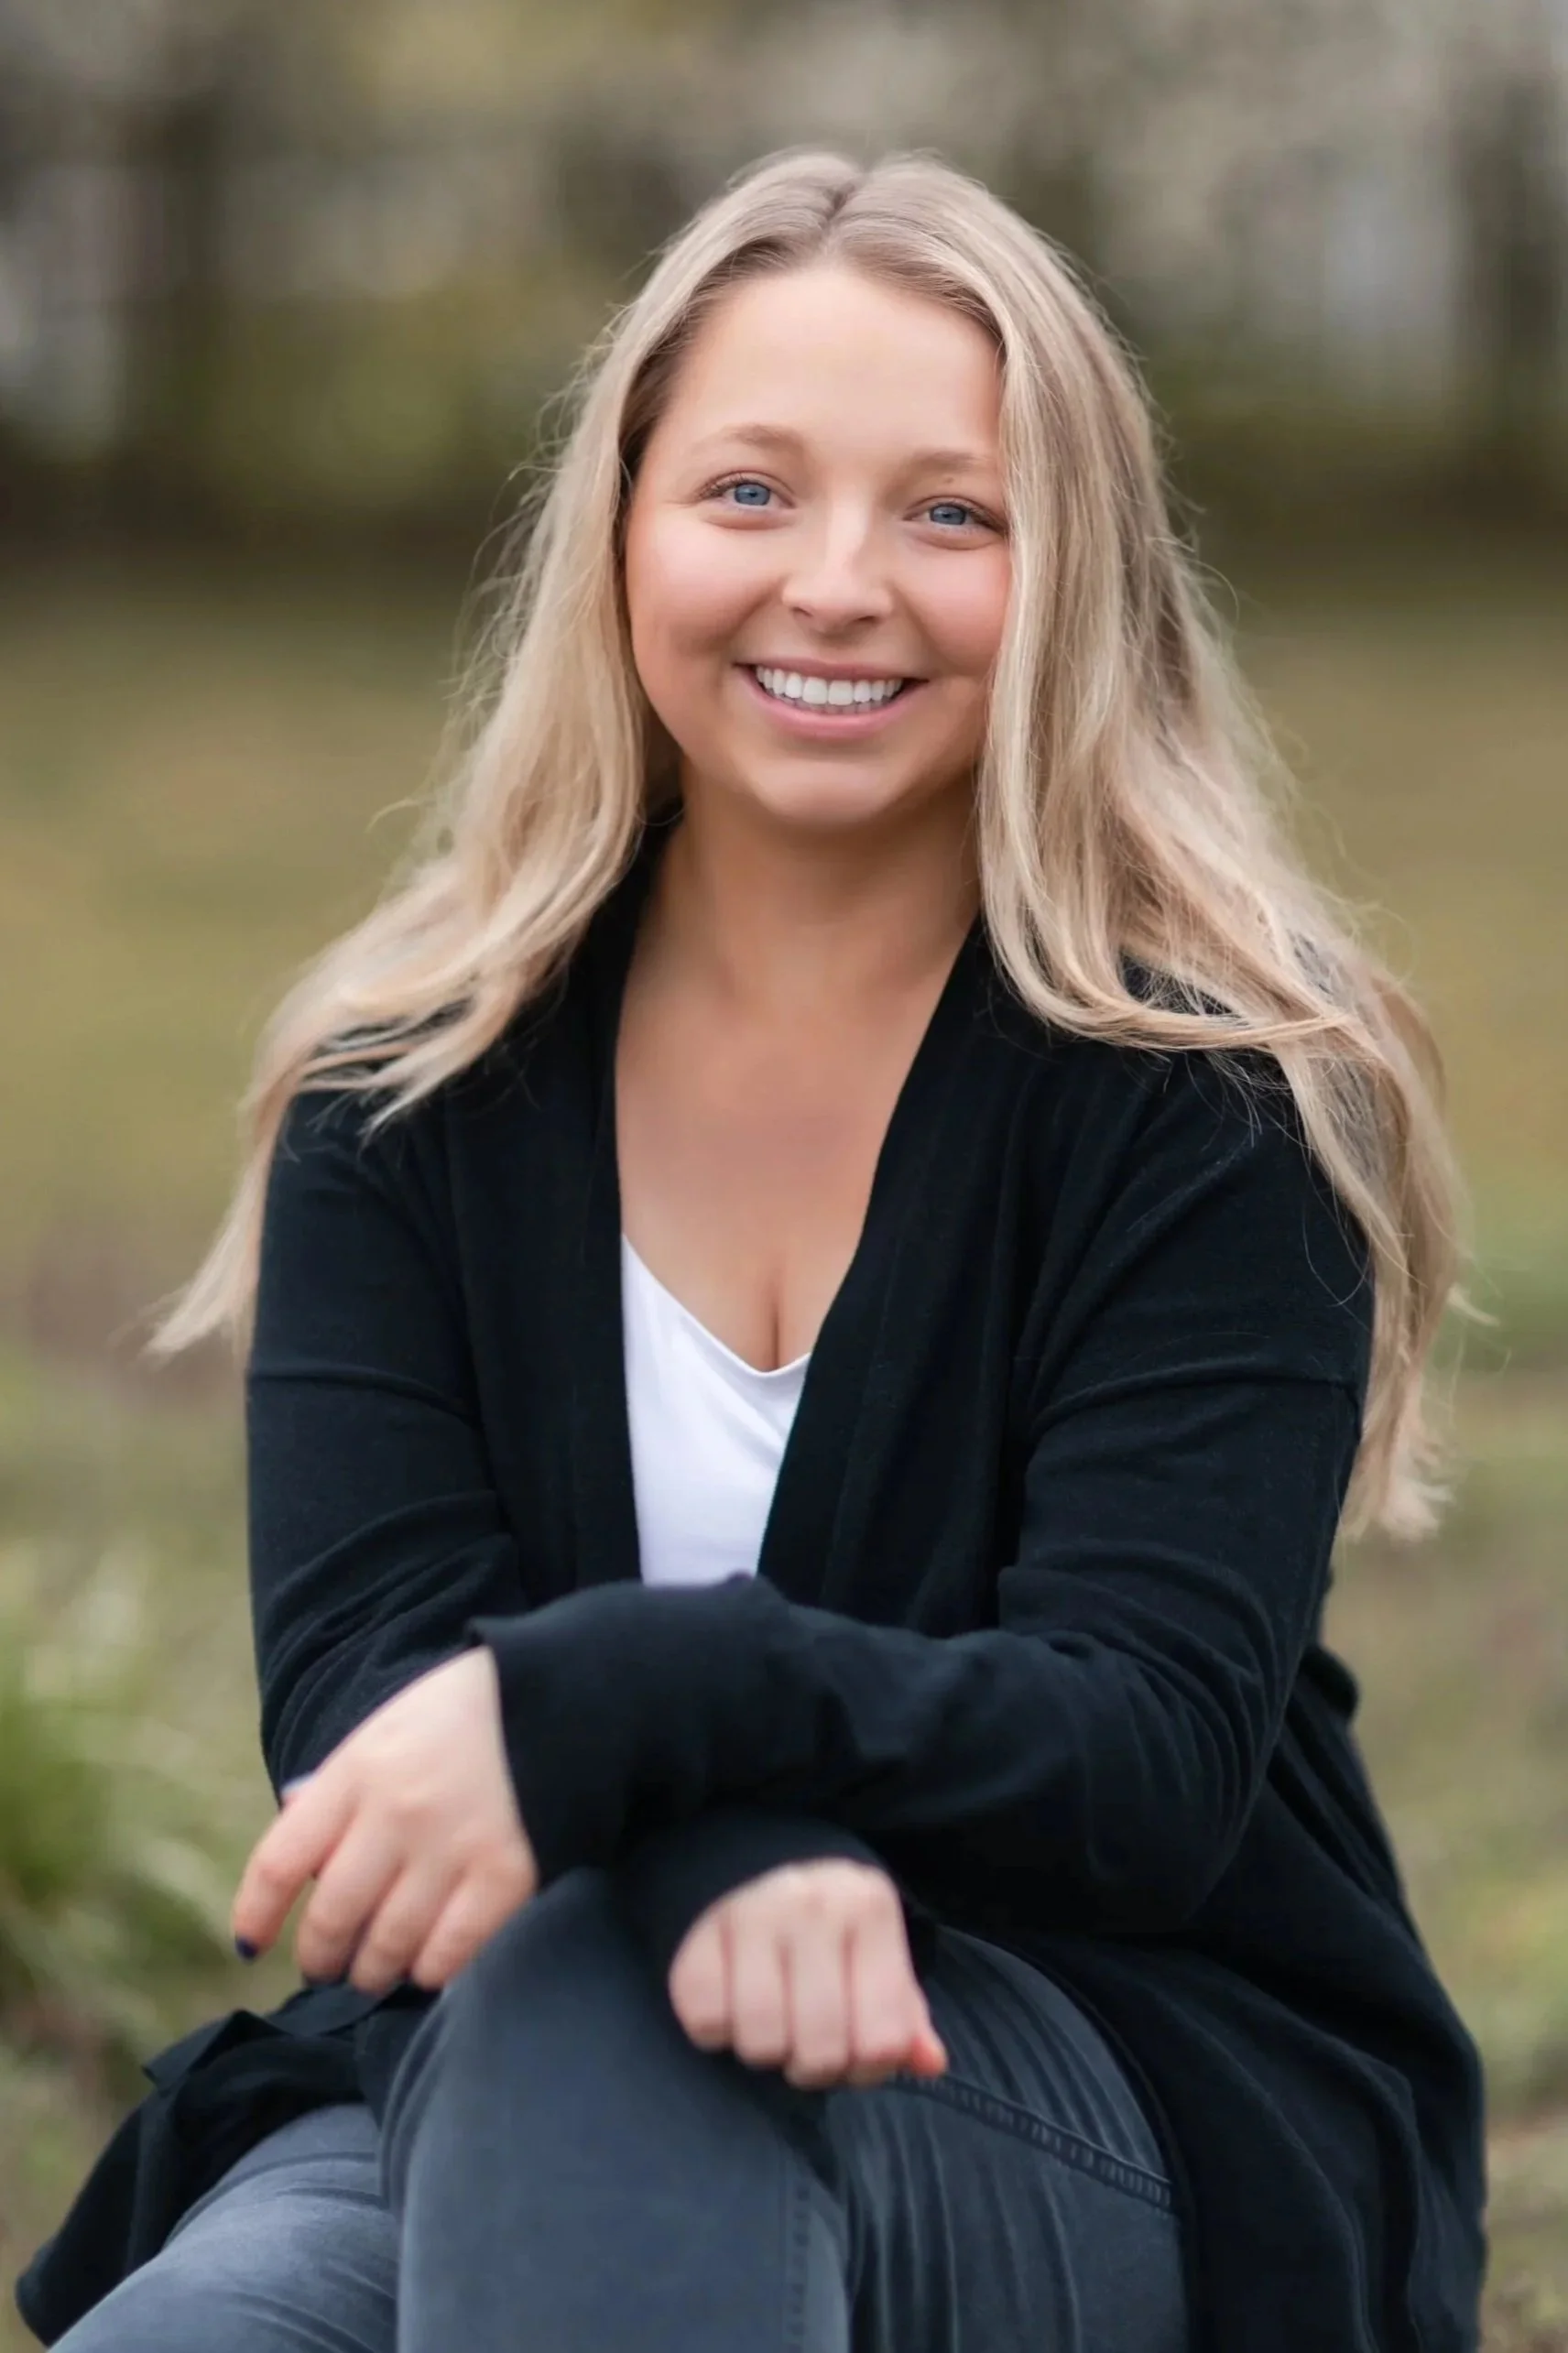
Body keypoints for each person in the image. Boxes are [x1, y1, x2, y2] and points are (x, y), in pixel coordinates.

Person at [14, 147, 1487, 2353]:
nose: (838, 584)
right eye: (747, 492)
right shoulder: (405, 1092)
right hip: (503, 2040)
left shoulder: (1211, 1096)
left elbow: (1139, 1758)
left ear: (1071, 577)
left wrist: (632, 1704)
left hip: (1090, 2081)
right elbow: (368, 1708)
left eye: (950, 513)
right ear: (619, 531)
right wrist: (723, 1846)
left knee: (597, 2011)